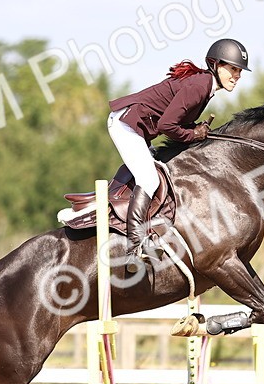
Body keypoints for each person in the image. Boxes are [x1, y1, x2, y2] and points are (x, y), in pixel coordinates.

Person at [106, 38, 251, 273]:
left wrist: (196, 129)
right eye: (233, 69)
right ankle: (134, 247)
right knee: (149, 179)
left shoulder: (206, 86)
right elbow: (166, 125)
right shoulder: (200, 86)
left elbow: (175, 121)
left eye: (239, 71)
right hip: (126, 124)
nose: (237, 76)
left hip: (138, 126)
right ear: (216, 65)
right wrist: (194, 133)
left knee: (159, 172)